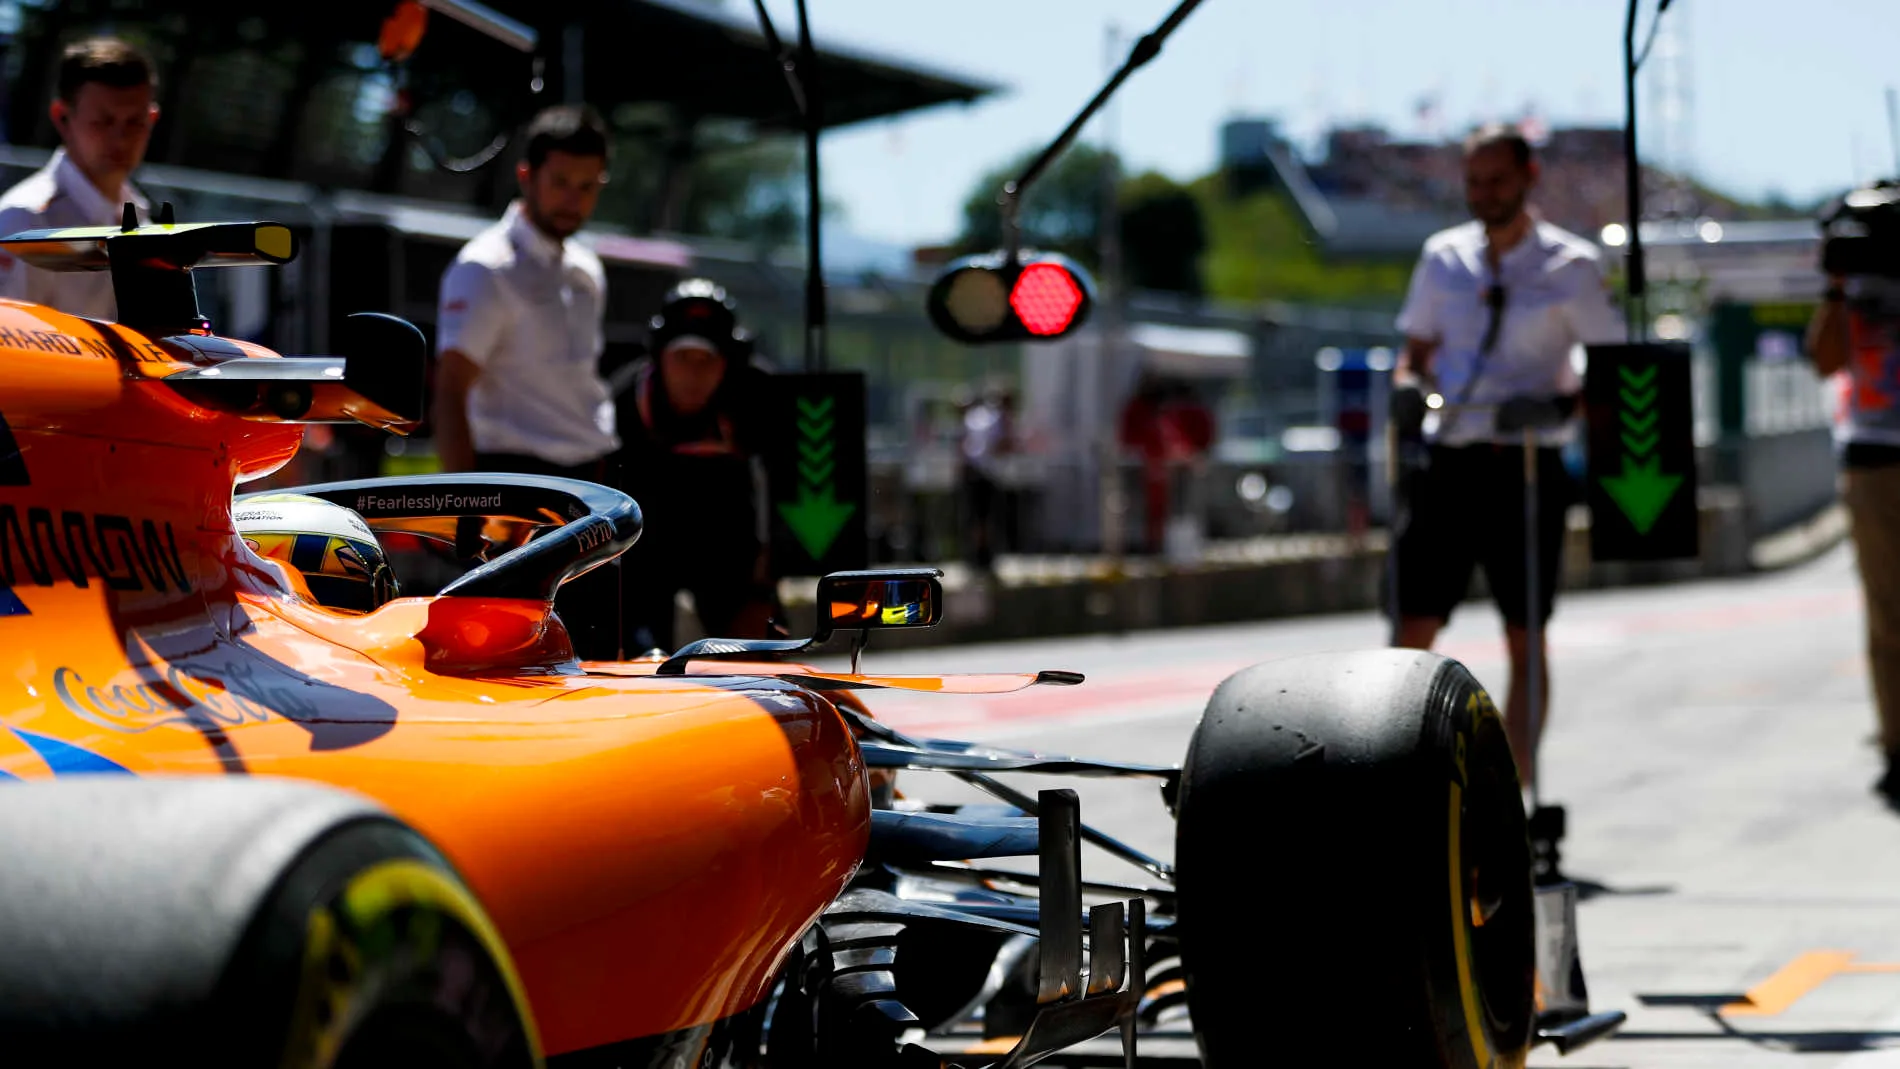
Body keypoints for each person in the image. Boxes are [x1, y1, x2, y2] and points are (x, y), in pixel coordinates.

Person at [1387, 122, 1623, 791]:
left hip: (1525, 467)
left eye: (1497, 181)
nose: (1484, 195)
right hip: (1449, 458)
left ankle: (1515, 795)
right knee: (1412, 624)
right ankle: (1398, 783)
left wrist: (1562, 406)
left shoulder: (1570, 265)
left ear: (1528, 178)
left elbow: (1608, 368)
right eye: (1473, 182)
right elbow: (1416, 349)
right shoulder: (1442, 257)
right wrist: (1407, 387)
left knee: (1525, 632)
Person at [432, 103, 618, 655]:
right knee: (517, 664)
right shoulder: (485, 267)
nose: (573, 198)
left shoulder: (589, 268)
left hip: (593, 485)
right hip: (516, 490)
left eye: (587, 186)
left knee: (601, 659)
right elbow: (449, 391)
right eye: (560, 182)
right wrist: (464, 510)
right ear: (526, 176)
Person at [611, 279, 781, 654]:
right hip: (646, 551)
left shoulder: (758, 399)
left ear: (728, 363)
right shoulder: (623, 402)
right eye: (682, 359)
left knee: (766, 662)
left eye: (706, 361)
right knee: (639, 662)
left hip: (728, 545)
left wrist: (763, 587)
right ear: (659, 356)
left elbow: (784, 492)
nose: (693, 374)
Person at [1804, 252, 1900, 807]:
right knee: (1889, 612)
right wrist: (1837, 286)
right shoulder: (1854, 276)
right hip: (1873, 455)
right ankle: (1897, 744)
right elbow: (1823, 359)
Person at [0, 36, 158, 319]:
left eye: (135, 122)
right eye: (103, 121)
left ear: (152, 119)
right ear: (62, 117)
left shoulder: (140, 220)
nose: (120, 139)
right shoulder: (24, 224)